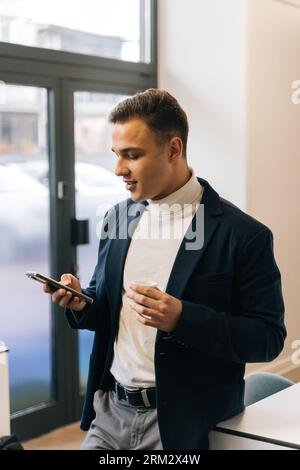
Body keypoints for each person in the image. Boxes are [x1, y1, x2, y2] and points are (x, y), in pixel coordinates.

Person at [43, 88, 286, 450]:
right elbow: (107, 305)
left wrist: (182, 318)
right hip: (110, 412)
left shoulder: (243, 235)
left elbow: (268, 338)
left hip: (183, 425)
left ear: (173, 149)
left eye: (132, 155)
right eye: (116, 155)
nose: (118, 169)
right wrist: (82, 302)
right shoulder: (118, 218)